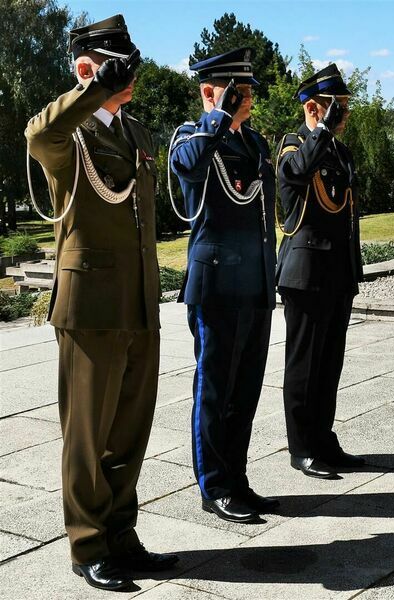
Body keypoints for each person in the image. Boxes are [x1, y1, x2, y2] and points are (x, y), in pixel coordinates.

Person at [24, 14, 177, 592]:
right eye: (114, 62)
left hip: (137, 301)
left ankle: (121, 534)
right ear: (86, 64)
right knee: (87, 434)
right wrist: (90, 90)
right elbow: (38, 136)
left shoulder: (133, 134)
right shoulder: (70, 134)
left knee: (130, 428)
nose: (127, 73)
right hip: (89, 305)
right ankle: (87, 544)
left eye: (128, 62)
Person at [169, 48, 278, 523]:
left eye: (249, 91)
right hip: (214, 286)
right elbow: (189, 168)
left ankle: (237, 476)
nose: (247, 100)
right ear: (211, 91)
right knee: (215, 388)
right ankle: (213, 485)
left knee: (246, 387)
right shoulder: (192, 135)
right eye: (239, 92)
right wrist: (217, 116)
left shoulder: (252, 143)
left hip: (252, 282)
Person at [276, 63, 365, 479]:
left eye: (344, 108)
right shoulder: (293, 147)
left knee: (330, 364)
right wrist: (320, 129)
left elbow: (347, 215)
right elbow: (296, 176)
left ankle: (324, 439)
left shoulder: (339, 152)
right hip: (305, 273)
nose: (343, 115)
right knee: (304, 363)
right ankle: (302, 447)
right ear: (315, 107)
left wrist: (352, 270)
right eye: (337, 108)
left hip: (335, 273)